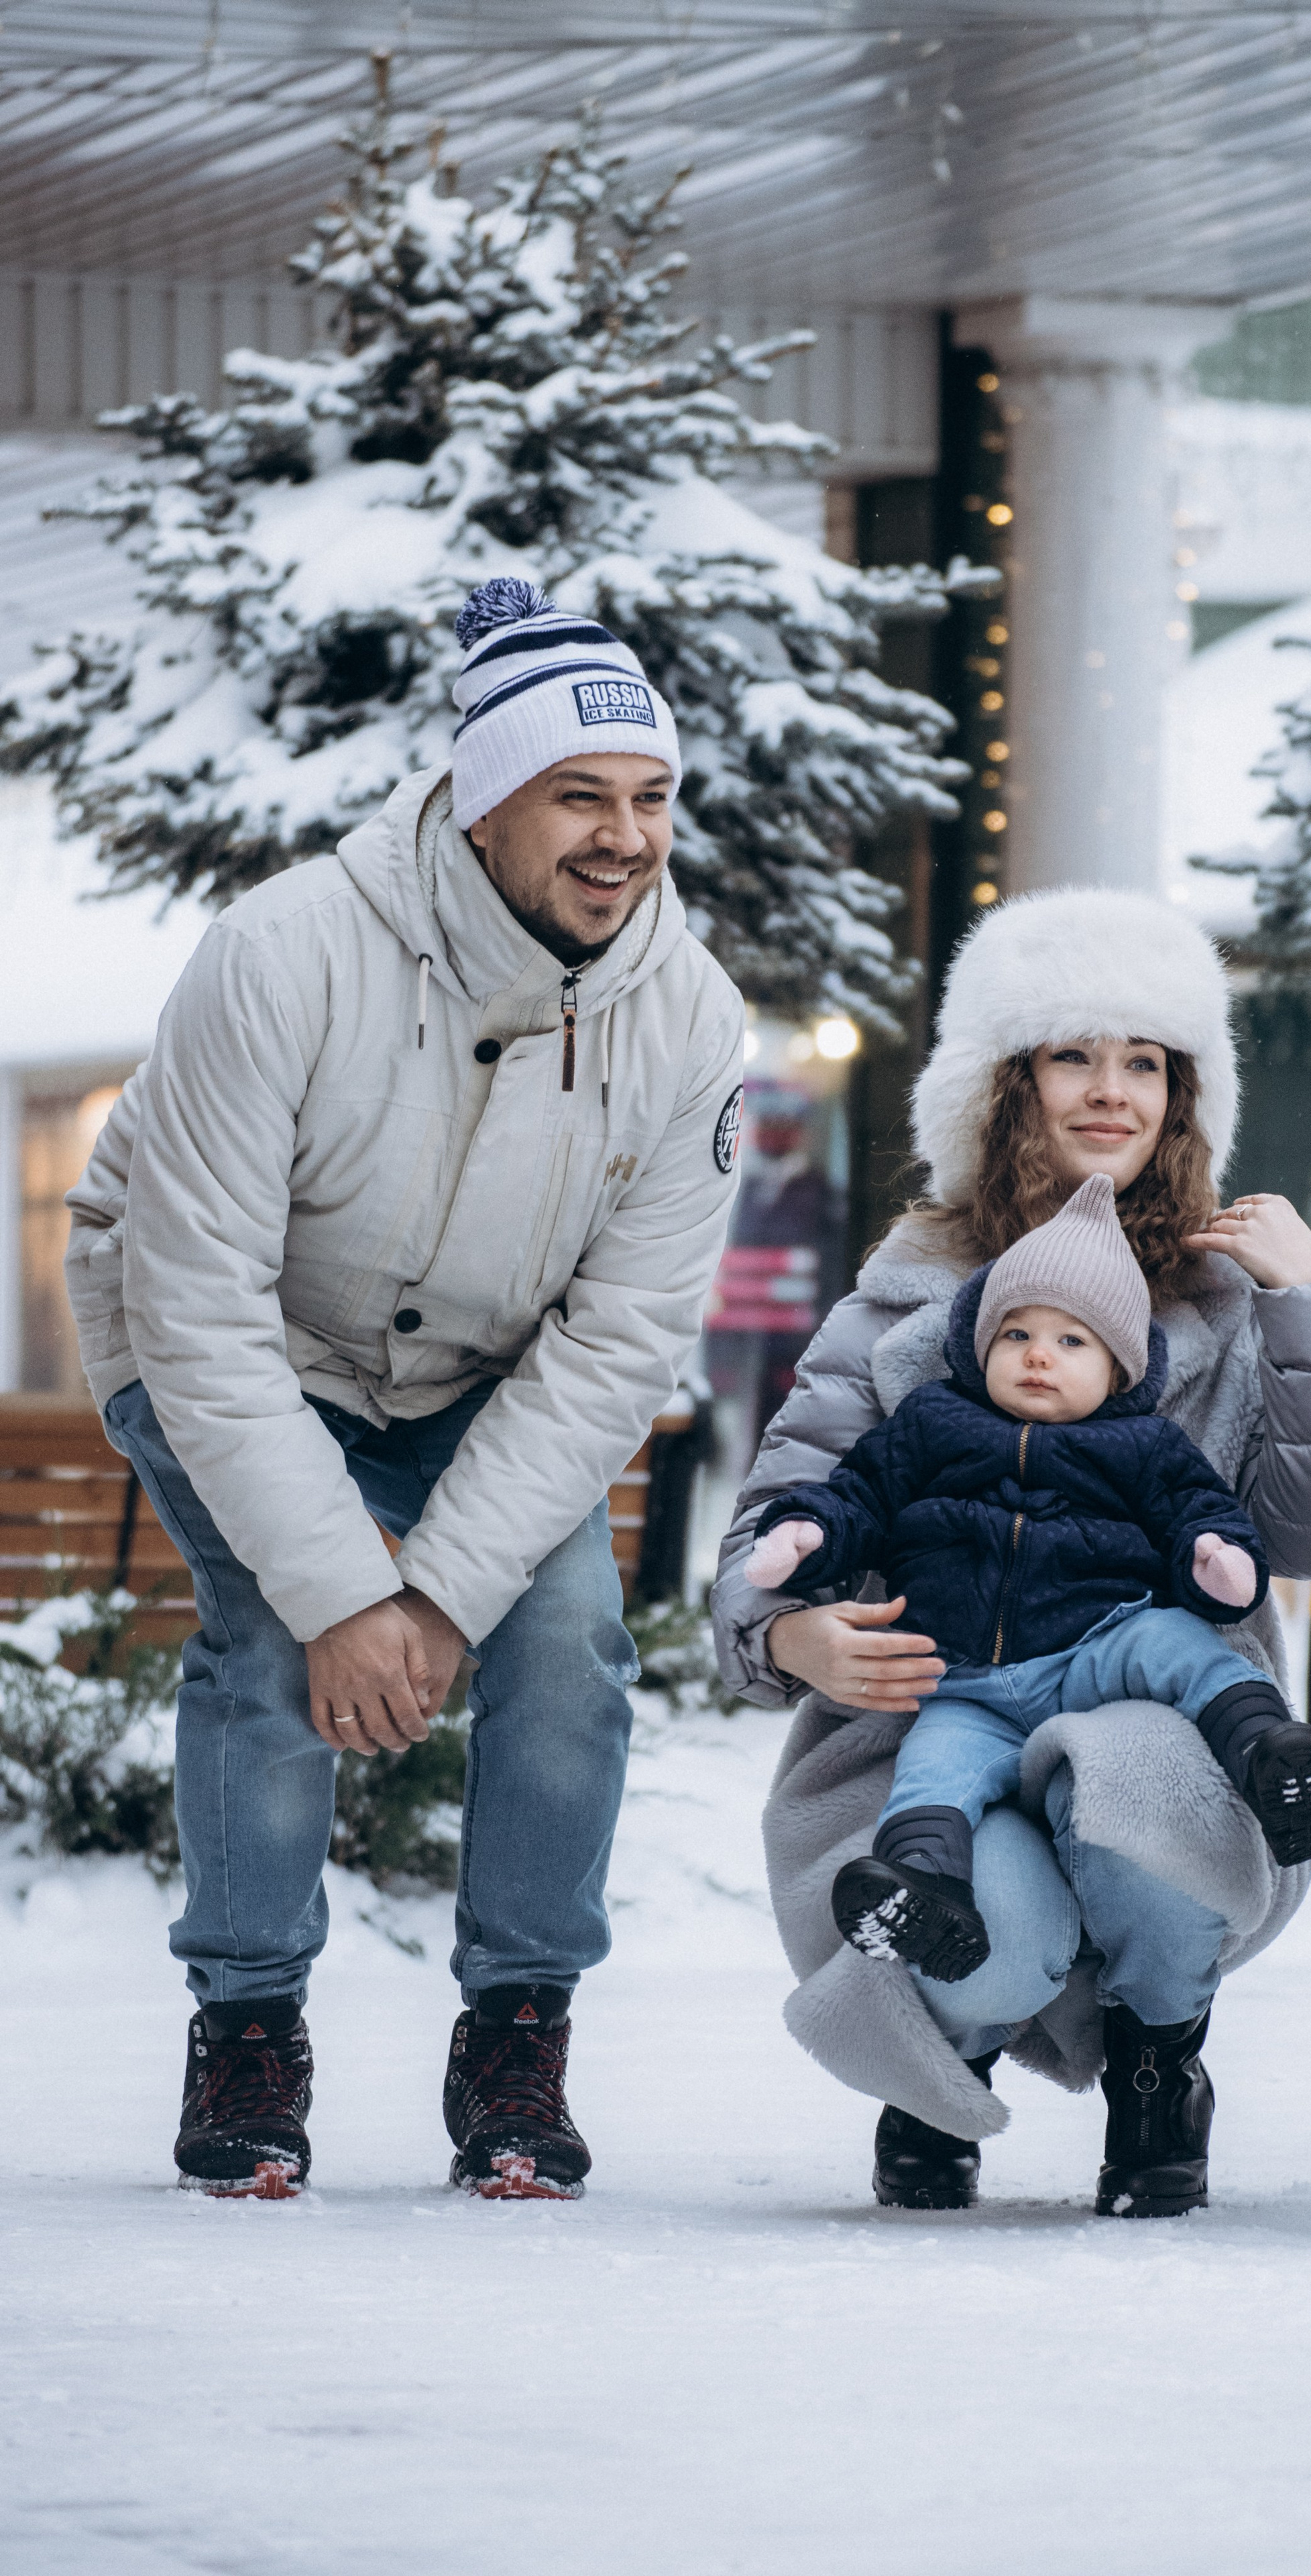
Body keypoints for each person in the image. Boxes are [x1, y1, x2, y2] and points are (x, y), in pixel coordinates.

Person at [65, 578, 745, 2200]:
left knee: (567, 1634)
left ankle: (519, 2020)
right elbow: (199, 1303)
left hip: (489, 1372)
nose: (623, 835)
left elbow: (617, 1344)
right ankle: (247, 2023)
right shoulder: (285, 951)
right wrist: (342, 1591)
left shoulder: (689, 1018)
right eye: (578, 795)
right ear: (478, 799)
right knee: (270, 1635)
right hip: (231, 1341)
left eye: (649, 798)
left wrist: (436, 1591)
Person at [711, 888, 1311, 2218]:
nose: (1110, 1092)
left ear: (1183, 1095)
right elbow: (768, 1536)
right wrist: (782, 1631)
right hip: (938, 1718)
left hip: (1154, 1714)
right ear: (1002, 1084)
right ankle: (936, 2079)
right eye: (1072, 1055)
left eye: (1144, 1063)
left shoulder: (1222, 1295)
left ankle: (1159, 2071)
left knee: (1144, 1788)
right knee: (985, 1943)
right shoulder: (905, 1295)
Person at [743, 1174, 1311, 1998]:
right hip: (960, 1679)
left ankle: (1266, 1752)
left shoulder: (1141, 1442)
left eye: (1072, 1342)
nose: (1037, 1355)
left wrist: (1214, 1561)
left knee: (1177, 1646)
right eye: (1016, 1333)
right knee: (933, 1772)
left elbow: (1196, 1514)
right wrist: (805, 1535)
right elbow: (859, 1494)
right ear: (977, 1345)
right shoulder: (932, 1422)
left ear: (1119, 1367)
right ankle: (924, 1888)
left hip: (1100, 1646)